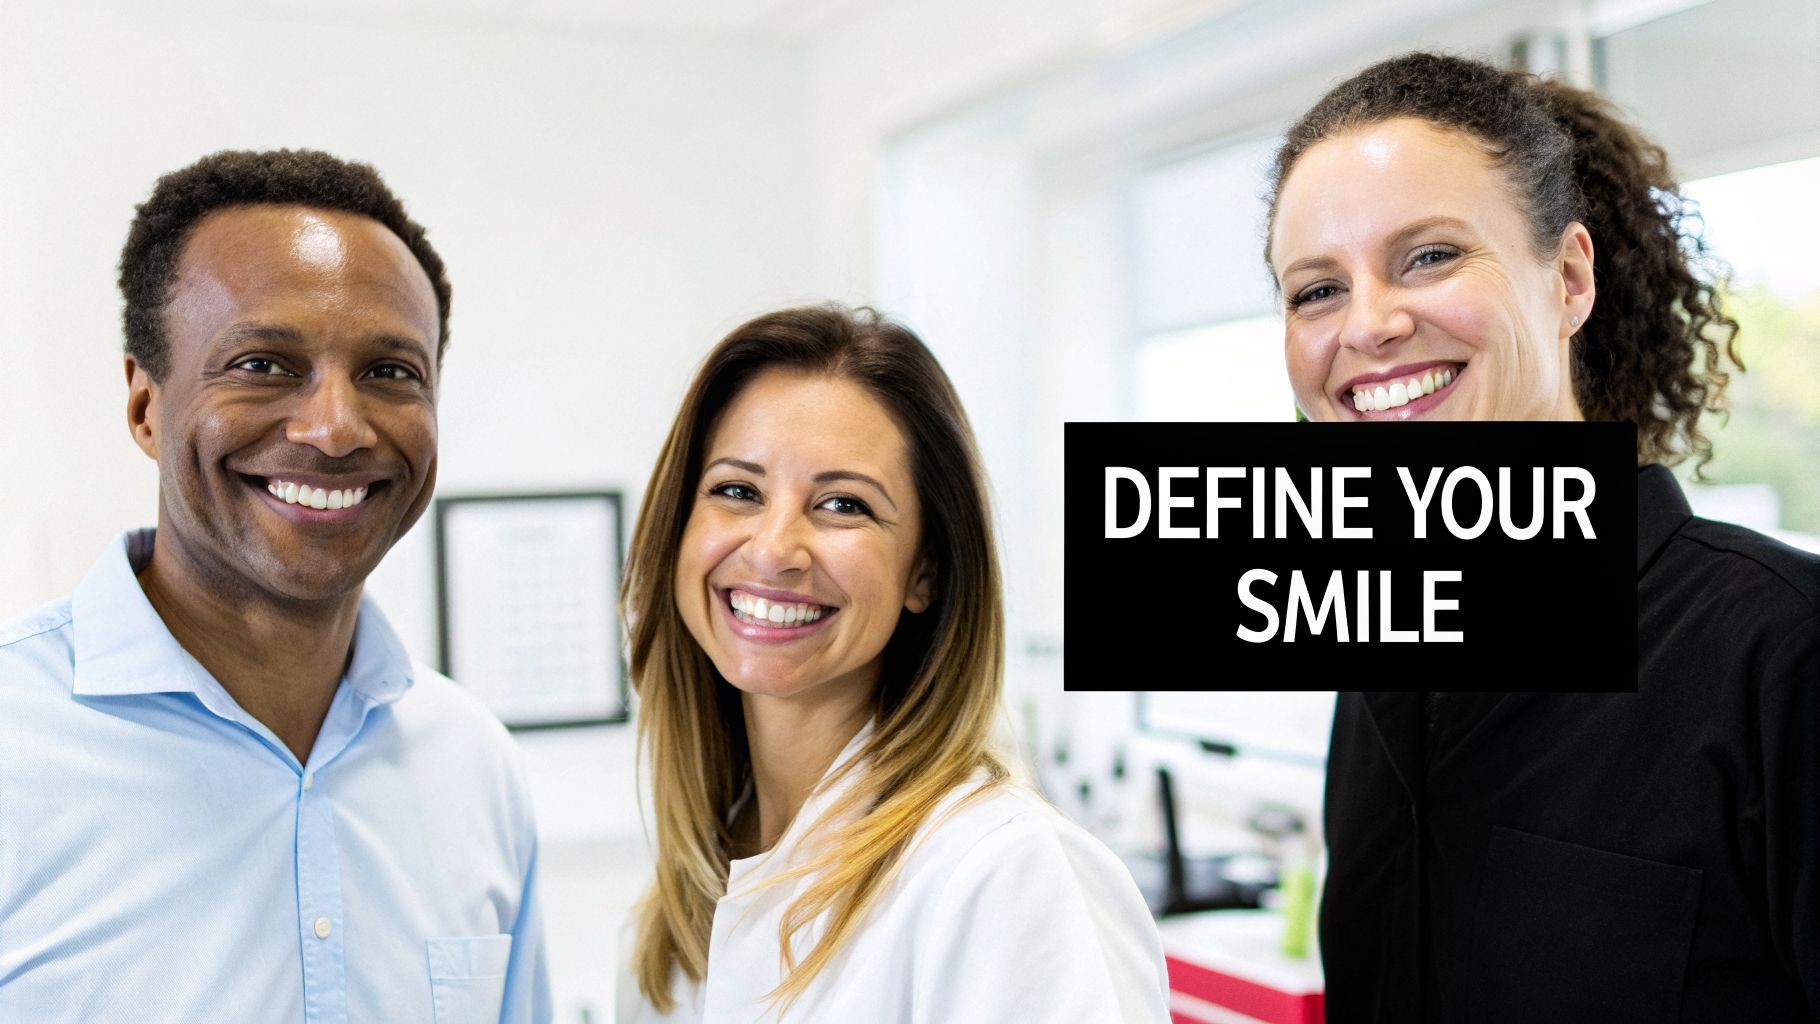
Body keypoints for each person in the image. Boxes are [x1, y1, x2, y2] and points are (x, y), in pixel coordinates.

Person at [1265, 52, 1820, 1021]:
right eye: (1315, 289)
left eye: (1428, 255)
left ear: (1566, 280)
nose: (1367, 325)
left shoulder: (1779, 653)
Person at [0, 149, 551, 1022]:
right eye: (262, 364)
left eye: (390, 372)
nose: (334, 428)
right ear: (146, 404)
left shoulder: (472, 762)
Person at [615, 305, 1169, 1022]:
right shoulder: (669, 920)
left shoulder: (1004, 874)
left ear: (925, 573)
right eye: (737, 491)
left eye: (843, 504)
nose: (775, 548)